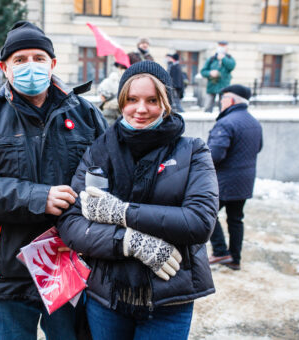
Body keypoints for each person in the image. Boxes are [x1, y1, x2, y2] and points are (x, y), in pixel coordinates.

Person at [0, 21, 107, 340]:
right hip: (7, 270)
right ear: (4, 67)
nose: (30, 65)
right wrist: (36, 197)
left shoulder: (87, 115)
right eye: (19, 60)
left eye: (38, 57)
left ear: (52, 64)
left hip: (68, 264)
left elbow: (110, 174)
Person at [57, 61, 219, 340]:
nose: (141, 109)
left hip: (170, 298)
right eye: (132, 99)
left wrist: (122, 212)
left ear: (166, 102)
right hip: (107, 295)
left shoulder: (193, 151)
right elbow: (71, 223)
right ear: (122, 102)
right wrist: (129, 241)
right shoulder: (99, 151)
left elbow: (199, 222)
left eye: (152, 100)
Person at [208, 85, 262, 271]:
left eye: (222, 99)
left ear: (231, 100)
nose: (220, 102)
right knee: (236, 219)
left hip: (225, 182)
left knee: (207, 214)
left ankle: (221, 250)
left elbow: (214, 155)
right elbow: (259, 147)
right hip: (245, 181)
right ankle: (235, 259)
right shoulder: (254, 122)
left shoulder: (226, 123)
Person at [200, 41, 236, 113]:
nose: (221, 48)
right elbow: (203, 71)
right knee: (208, 107)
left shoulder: (229, 58)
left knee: (223, 107)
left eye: (223, 46)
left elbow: (231, 67)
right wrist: (210, 73)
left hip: (224, 86)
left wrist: (223, 58)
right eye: (220, 46)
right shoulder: (212, 59)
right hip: (212, 85)